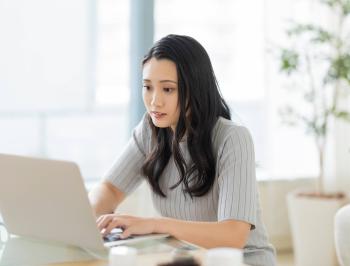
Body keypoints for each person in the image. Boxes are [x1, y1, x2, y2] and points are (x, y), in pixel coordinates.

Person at [89, 34, 276, 266]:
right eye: (147, 87)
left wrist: (154, 224)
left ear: (195, 88)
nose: (155, 101)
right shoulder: (151, 129)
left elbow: (233, 236)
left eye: (168, 89)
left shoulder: (232, 138)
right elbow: (110, 188)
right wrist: (90, 220)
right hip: (190, 261)